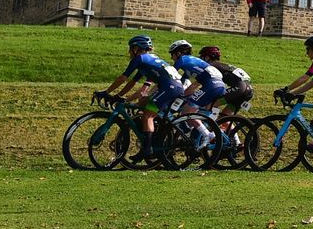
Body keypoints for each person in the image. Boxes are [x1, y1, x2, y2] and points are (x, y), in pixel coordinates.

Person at [94, 34, 184, 163]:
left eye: (130, 48)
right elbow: (131, 82)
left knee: (148, 115)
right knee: (142, 103)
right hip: (171, 87)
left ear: (136, 48)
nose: (129, 52)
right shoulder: (147, 60)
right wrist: (119, 96)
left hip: (169, 87)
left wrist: (106, 92)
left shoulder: (140, 59)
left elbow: (123, 78)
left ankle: (147, 150)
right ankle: (155, 137)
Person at [168, 39, 226, 149]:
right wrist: (181, 96)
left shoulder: (182, 60)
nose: (172, 58)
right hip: (219, 86)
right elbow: (187, 85)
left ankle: (207, 135)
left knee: (187, 111)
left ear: (178, 53)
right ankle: (203, 134)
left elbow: (171, 77)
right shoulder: (192, 63)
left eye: (172, 54)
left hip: (211, 85)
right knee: (198, 112)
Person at [198, 46, 254, 117]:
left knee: (210, 105)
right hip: (249, 90)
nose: (200, 59)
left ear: (207, 58)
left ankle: (209, 125)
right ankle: (224, 127)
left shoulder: (212, 66)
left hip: (239, 88)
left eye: (201, 57)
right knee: (225, 118)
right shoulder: (222, 65)